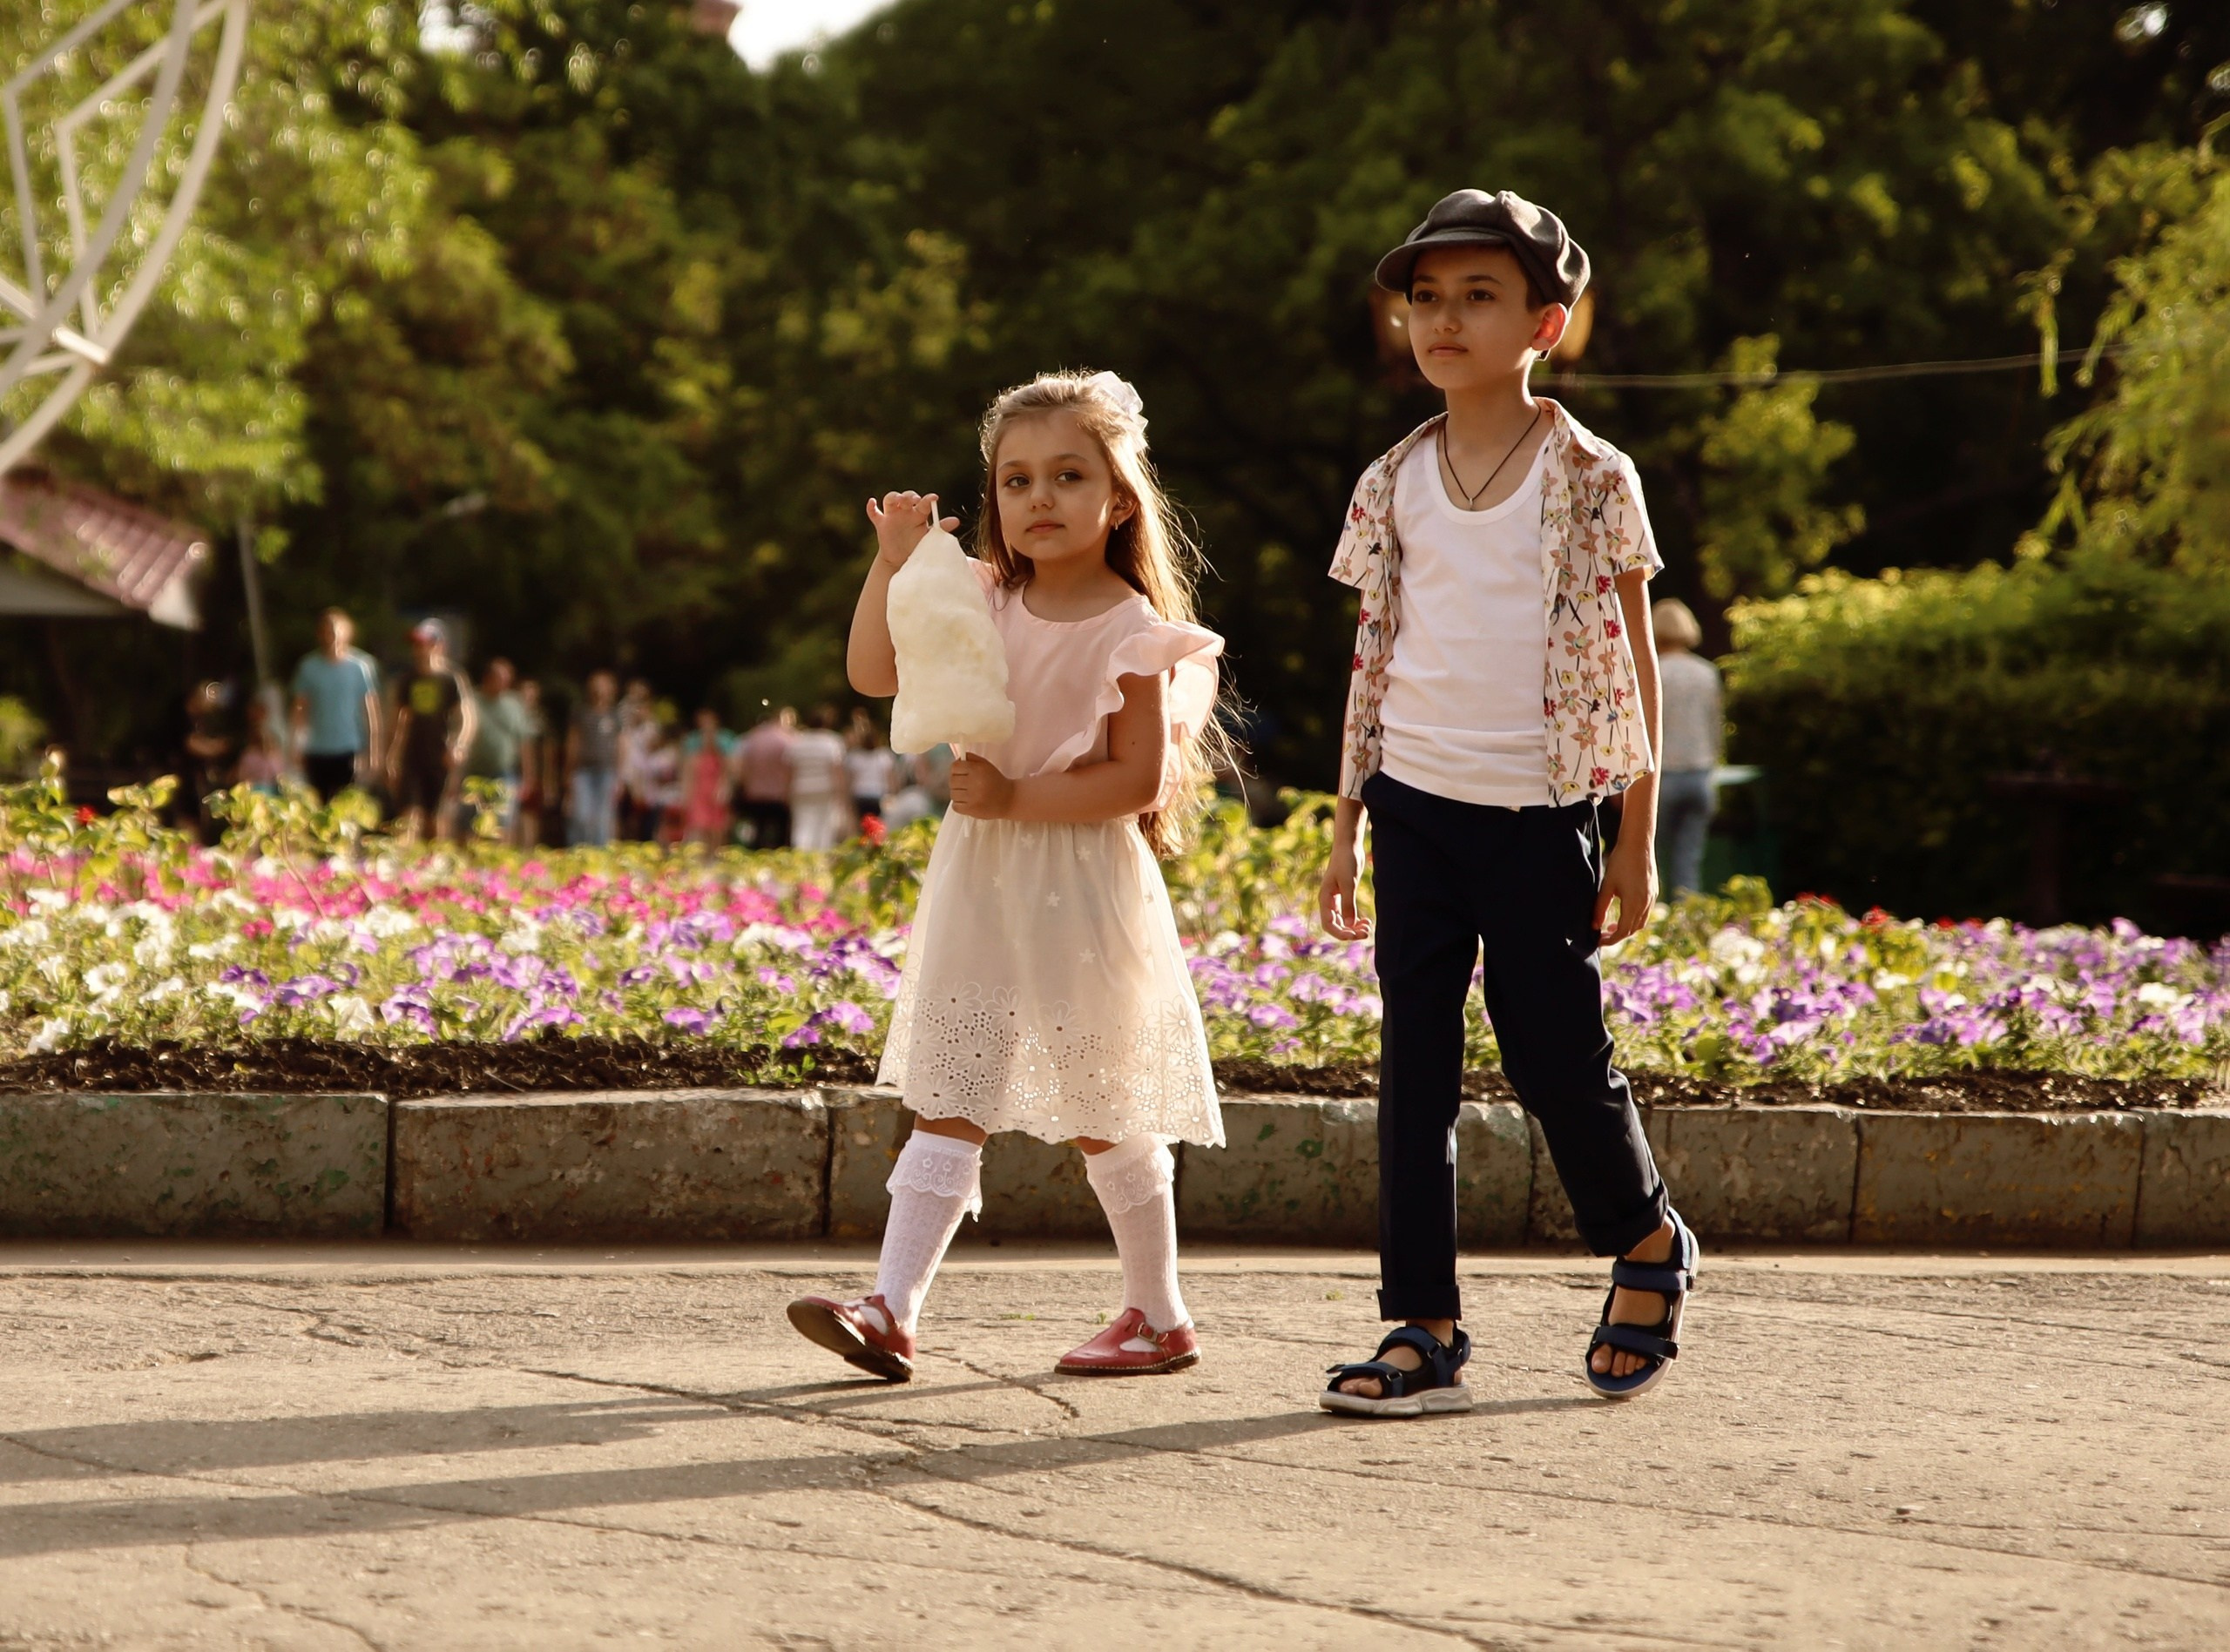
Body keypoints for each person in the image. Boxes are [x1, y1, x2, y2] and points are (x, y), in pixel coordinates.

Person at [1315, 190, 1694, 1413]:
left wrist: (1634, 840)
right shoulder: (1390, 480)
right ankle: (1420, 1323)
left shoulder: (1592, 475)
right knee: (1411, 1063)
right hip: (1415, 805)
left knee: (1551, 1053)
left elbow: (1636, 667)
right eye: (1424, 297)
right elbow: (1373, 655)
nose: (1443, 318)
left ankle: (1645, 1241)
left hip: (1541, 814)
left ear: (1547, 321)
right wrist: (1345, 824)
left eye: (1478, 296)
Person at [787, 368, 1226, 1382]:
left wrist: (1018, 798)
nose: (1038, 498)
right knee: (953, 1082)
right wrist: (892, 564)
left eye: (1068, 476)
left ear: (1119, 498)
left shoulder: (1132, 628)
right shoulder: (982, 596)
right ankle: (891, 1308)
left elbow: (1136, 779)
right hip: (983, 873)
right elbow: (874, 672)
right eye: (1016, 479)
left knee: (1103, 1103)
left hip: (1081, 879)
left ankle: (1159, 1313)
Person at [1652, 597, 1723, 898]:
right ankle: (1684, 928)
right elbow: (1716, 727)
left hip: (1662, 777)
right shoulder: (1706, 672)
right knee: (1688, 863)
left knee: (1649, 863)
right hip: (1700, 776)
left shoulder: (1653, 671)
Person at [386, 621, 476, 842]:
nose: (419, 649)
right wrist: (390, 757)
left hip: (440, 755)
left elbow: (466, 717)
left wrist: (459, 745)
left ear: (438, 646)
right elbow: (398, 721)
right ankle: (404, 866)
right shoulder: (407, 679)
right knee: (407, 815)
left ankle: (434, 865)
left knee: (435, 818)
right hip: (412, 754)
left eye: (424, 643)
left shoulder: (451, 679)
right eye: (416, 644)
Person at [288, 608, 382, 802]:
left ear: (347, 632)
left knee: (347, 805)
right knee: (319, 807)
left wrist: (374, 752)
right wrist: (296, 745)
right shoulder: (308, 667)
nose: (332, 636)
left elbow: (371, 711)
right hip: (317, 749)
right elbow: (300, 709)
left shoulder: (361, 666)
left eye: (336, 630)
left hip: (349, 747)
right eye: (327, 631)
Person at [462, 657, 533, 839]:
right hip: (474, 772)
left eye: (507, 679)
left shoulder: (514, 705)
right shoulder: (471, 701)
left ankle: (501, 864)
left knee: (504, 821)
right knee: (471, 822)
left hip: (504, 772)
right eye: (500, 678)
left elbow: (524, 743)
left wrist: (527, 777)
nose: (504, 683)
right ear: (488, 678)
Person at [565, 671, 623, 846]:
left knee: (603, 819)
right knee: (581, 815)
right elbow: (572, 743)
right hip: (583, 771)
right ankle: (578, 852)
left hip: (606, 772)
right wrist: (568, 773)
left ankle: (599, 859)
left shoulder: (615, 716)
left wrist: (619, 777)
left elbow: (621, 747)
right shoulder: (582, 713)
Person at [785, 705, 851, 852]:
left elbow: (790, 770)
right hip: (825, 789)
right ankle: (822, 859)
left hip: (801, 788)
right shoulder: (832, 741)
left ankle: (801, 856)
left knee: (802, 825)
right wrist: (842, 795)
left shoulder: (797, 742)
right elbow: (837, 771)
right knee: (824, 827)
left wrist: (787, 791)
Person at [179, 680, 234, 839]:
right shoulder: (183, 717)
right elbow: (190, 744)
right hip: (184, 777)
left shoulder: (199, 720)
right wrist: (215, 748)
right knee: (188, 818)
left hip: (197, 777)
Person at [735, 706, 795, 849]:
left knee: (757, 831)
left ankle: (754, 860)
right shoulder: (785, 740)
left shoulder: (749, 740)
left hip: (755, 794)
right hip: (778, 795)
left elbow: (742, 769)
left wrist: (744, 786)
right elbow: (790, 769)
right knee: (780, 833)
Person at [679, 708, 735, 846]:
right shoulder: (692, 742)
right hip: (699, 789)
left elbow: (729, 768)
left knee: (718, 825)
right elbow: (688, 769)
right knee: (699, 824)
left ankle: (716, 854)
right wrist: (686, 792)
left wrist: (725, 787)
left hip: (715, 788)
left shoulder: (724, 741)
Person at [845, 707, 898, 829]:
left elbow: (850, 780)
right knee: (878, 827)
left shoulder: (854, 757)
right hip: (878, 794)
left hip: (860, 795)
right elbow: (891, 779)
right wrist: (894, 794)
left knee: (861, 827)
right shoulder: (884, 756)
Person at [511, 678, 549, 846]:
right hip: (513, 768)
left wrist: (549, 778)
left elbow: (548, 749)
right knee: (512, 814)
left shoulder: (540, 720)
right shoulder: (511, 716)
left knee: (531, 814)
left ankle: (529, 849)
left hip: (536, 771)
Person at [235, 696, 287, 795]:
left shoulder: (274, 755)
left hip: (272, 791)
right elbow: (242, 776)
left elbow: (279, 775)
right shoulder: (249, 756)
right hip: (254, 791)